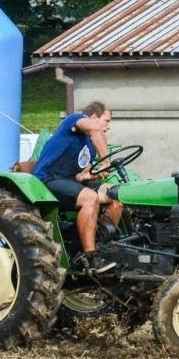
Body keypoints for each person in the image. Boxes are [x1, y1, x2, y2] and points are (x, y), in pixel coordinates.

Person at [31, 101, 123, 272]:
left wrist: (88, 175)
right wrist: (106, 162)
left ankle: (102, 245)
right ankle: (89, 257)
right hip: (46, 179)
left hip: (67, 181)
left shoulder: (90, 147)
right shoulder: (75, 120)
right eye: (107, 120)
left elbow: (79, 176)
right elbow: (95, 130)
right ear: (94, 117)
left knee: (115, 195)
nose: (108, 126)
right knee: (90, 198)